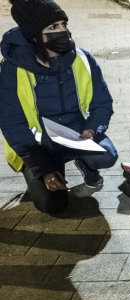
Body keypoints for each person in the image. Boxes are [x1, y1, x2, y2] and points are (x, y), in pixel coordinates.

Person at [0, 0, 118, 214]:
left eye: (63, 24)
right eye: (53, 27)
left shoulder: (82, 58)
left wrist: (92, 128)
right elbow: (13, 125)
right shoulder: (11, 70)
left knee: (107, 156)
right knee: (51, 205)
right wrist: (44, 170)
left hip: (77, 135)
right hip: (39, 145)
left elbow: (103, 103)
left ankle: (84, 163)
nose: (63, 31)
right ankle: (46, 169)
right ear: (34, 35)